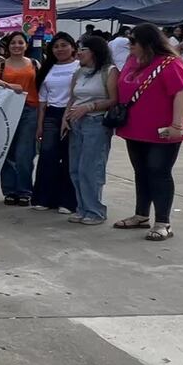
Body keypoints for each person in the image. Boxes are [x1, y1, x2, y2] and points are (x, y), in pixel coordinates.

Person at [112, 24, 183, 241]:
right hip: (135, 129)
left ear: (148, 44)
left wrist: (177, 126)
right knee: (141, 172)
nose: (130, 47)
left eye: (133, 43)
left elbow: (182, 94)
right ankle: (141, 215)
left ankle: (163, 222)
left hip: (164, 132)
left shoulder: (170, 63)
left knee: (159, 172)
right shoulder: (133, 61)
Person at [62, 36, 118, 225]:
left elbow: (113, 99)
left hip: (96, 123)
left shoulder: (109, 71)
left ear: (94, 51)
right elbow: (72, 98)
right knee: (75, 168)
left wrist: (90, 107)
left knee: (91, 168)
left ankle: (95, 210)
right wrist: (65, 119)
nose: (78, 53)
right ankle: (82, 207)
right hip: (76, 123)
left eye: (83, 49)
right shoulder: (78, 73)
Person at [31, 32, 80, 213]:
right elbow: (42, 101)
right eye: (56, 46)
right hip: (51, 114)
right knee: (47, 156)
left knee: (69, 158)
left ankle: (67, 201)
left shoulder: (79, 67)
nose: (60, 49)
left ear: (73, 47)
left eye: (64, 45)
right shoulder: (47, 69)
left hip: (73, 114)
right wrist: (39, 125)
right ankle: (43, 198)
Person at [0, 32, 40, 206]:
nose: (17, 46)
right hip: (7, 111)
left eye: (20, 42)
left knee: (25, 153)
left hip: (30, 111)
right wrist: (9, 85)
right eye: (13, 43)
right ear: (8, 46)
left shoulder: (35, 64)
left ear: (26, 45)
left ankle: (25, 190)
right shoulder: (1, 66)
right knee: (7, 152)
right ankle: (10, 190)